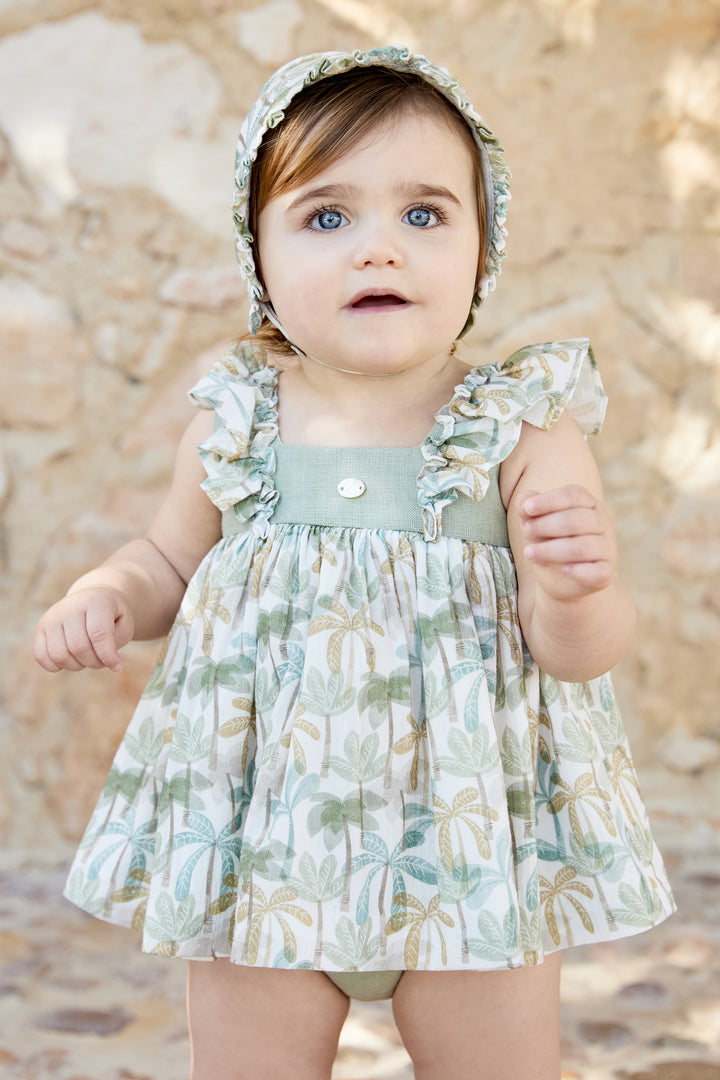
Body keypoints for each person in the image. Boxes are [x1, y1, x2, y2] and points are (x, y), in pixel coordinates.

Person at [34, 47, 676, 1080]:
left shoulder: (516, 423)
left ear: (483, 244)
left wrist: (577, 589)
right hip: (264, 850)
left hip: (471, 856)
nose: (381, 250)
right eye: (327, 217)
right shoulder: (237, 421)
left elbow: (575, 653)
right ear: (260, 256)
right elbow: (167, 555)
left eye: (424, 214)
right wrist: (111, 591)